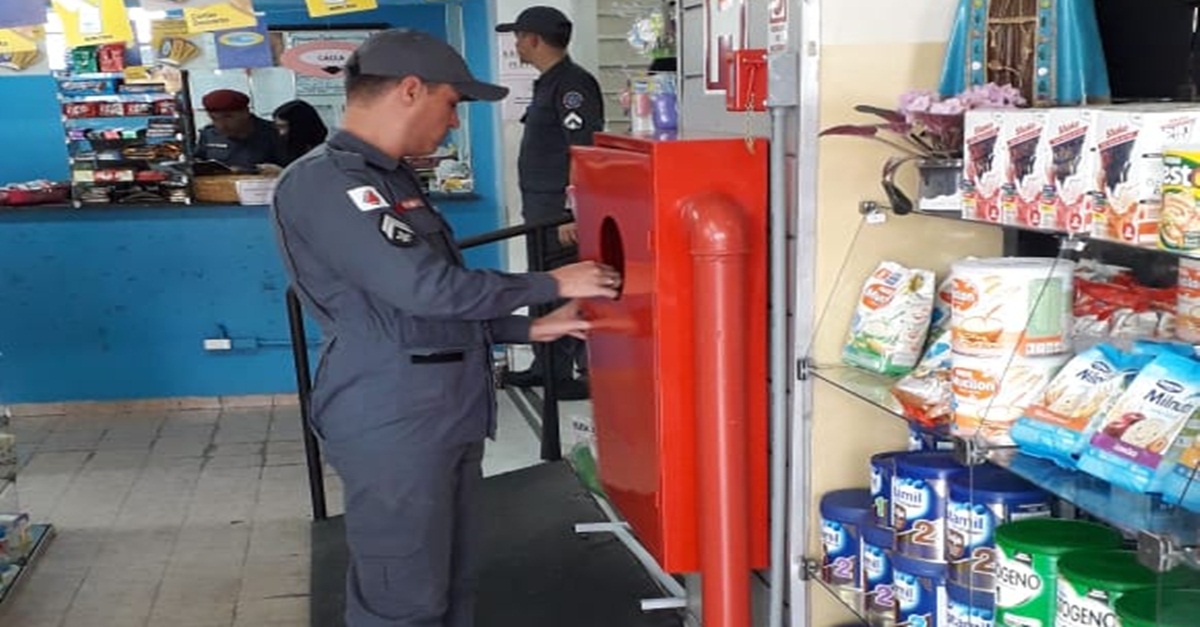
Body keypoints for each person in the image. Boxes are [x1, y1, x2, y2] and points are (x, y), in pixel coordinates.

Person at [269, 29, 621, 627]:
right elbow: (423, 291)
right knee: (403, 600)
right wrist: (554, 284)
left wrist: (525, 331)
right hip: (394, 418)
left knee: (448, 586)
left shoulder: (391, 178)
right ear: (411, 90)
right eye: (453, 104)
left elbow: (418, 314)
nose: (455, 123)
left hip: (440, 410)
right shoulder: (327, 183)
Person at [496, 6, 605, 400]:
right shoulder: (549, 82)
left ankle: (570, 370)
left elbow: (582, 150)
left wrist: (568, 210)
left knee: (562, 284)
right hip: (538, 207)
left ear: (534, 40)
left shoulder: (573, 85)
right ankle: (545, 367)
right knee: (543, 282)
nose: (515, 44)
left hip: (556, 211)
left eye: (519, 36)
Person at [194, 88, 286, 170]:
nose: (221, 125)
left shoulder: (274, 133)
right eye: (214, 118)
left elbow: (290, 169)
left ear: (245, 112)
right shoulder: (209, 134)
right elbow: (199, 162)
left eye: (228, 117)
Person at [273, 100, 329, 165]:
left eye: (284, 126)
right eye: (278, 127)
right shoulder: (284, 144)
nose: (281, 133)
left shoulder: (327, 149)